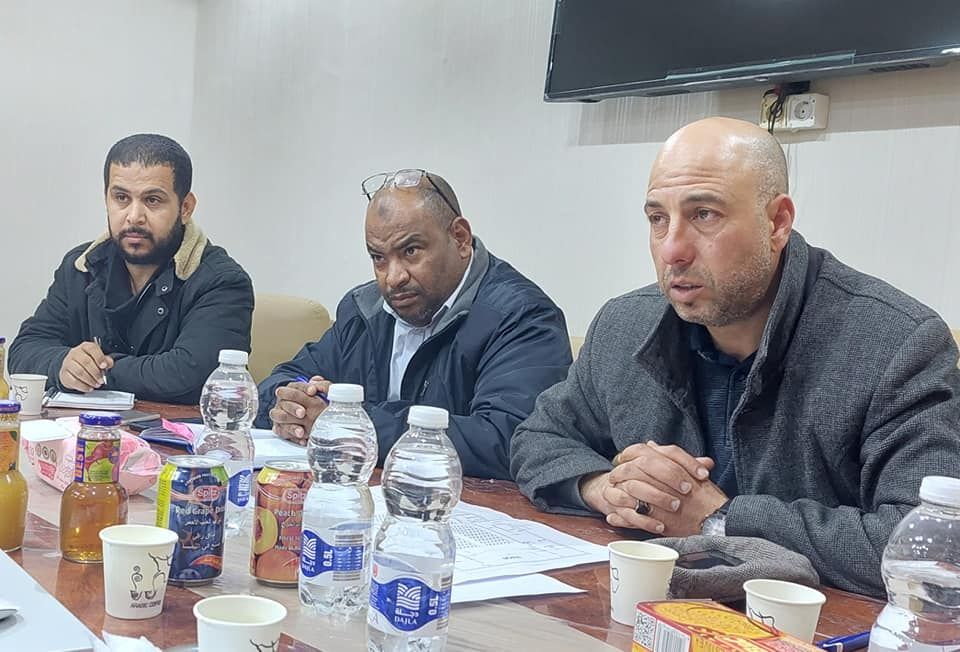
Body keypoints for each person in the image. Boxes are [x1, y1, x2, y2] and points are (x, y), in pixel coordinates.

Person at [510, 117, 960, 597]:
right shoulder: (625, 324)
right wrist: (609, 488)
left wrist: (718, 519)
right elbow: (538, 438)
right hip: (649, 608)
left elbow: (932, 547)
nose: (672, 249)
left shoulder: (896, 343)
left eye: (704, 214)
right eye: (657, 219)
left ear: (777, 222)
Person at [255, 168, 572, 480]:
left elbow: (508, 441)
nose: (393, 277)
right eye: (378, 258)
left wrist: (351, 426)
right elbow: (283, 380)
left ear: (460, 238)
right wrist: (293, 404)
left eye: (410, 251)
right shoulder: (363, 308)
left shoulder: (522, 316)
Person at [9, 134, 253, 404]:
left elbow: (191, 374)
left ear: (185, 208)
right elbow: (24, 349)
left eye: (153, 200)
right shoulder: (81, 267)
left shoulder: (222, 281)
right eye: (121, 198)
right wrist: (62, 364)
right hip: (85, 427)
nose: (134, 216)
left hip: (177, 430)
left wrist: (100, 371)